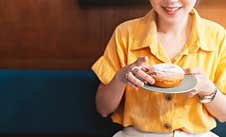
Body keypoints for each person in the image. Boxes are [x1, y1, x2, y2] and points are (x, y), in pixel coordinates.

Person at [91, 0, 226, 136]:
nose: (171, 1)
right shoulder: (125, 33)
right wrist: (120, 78)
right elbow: (103, 108)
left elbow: (224, 115)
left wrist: (208, 89)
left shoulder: (217, 36)